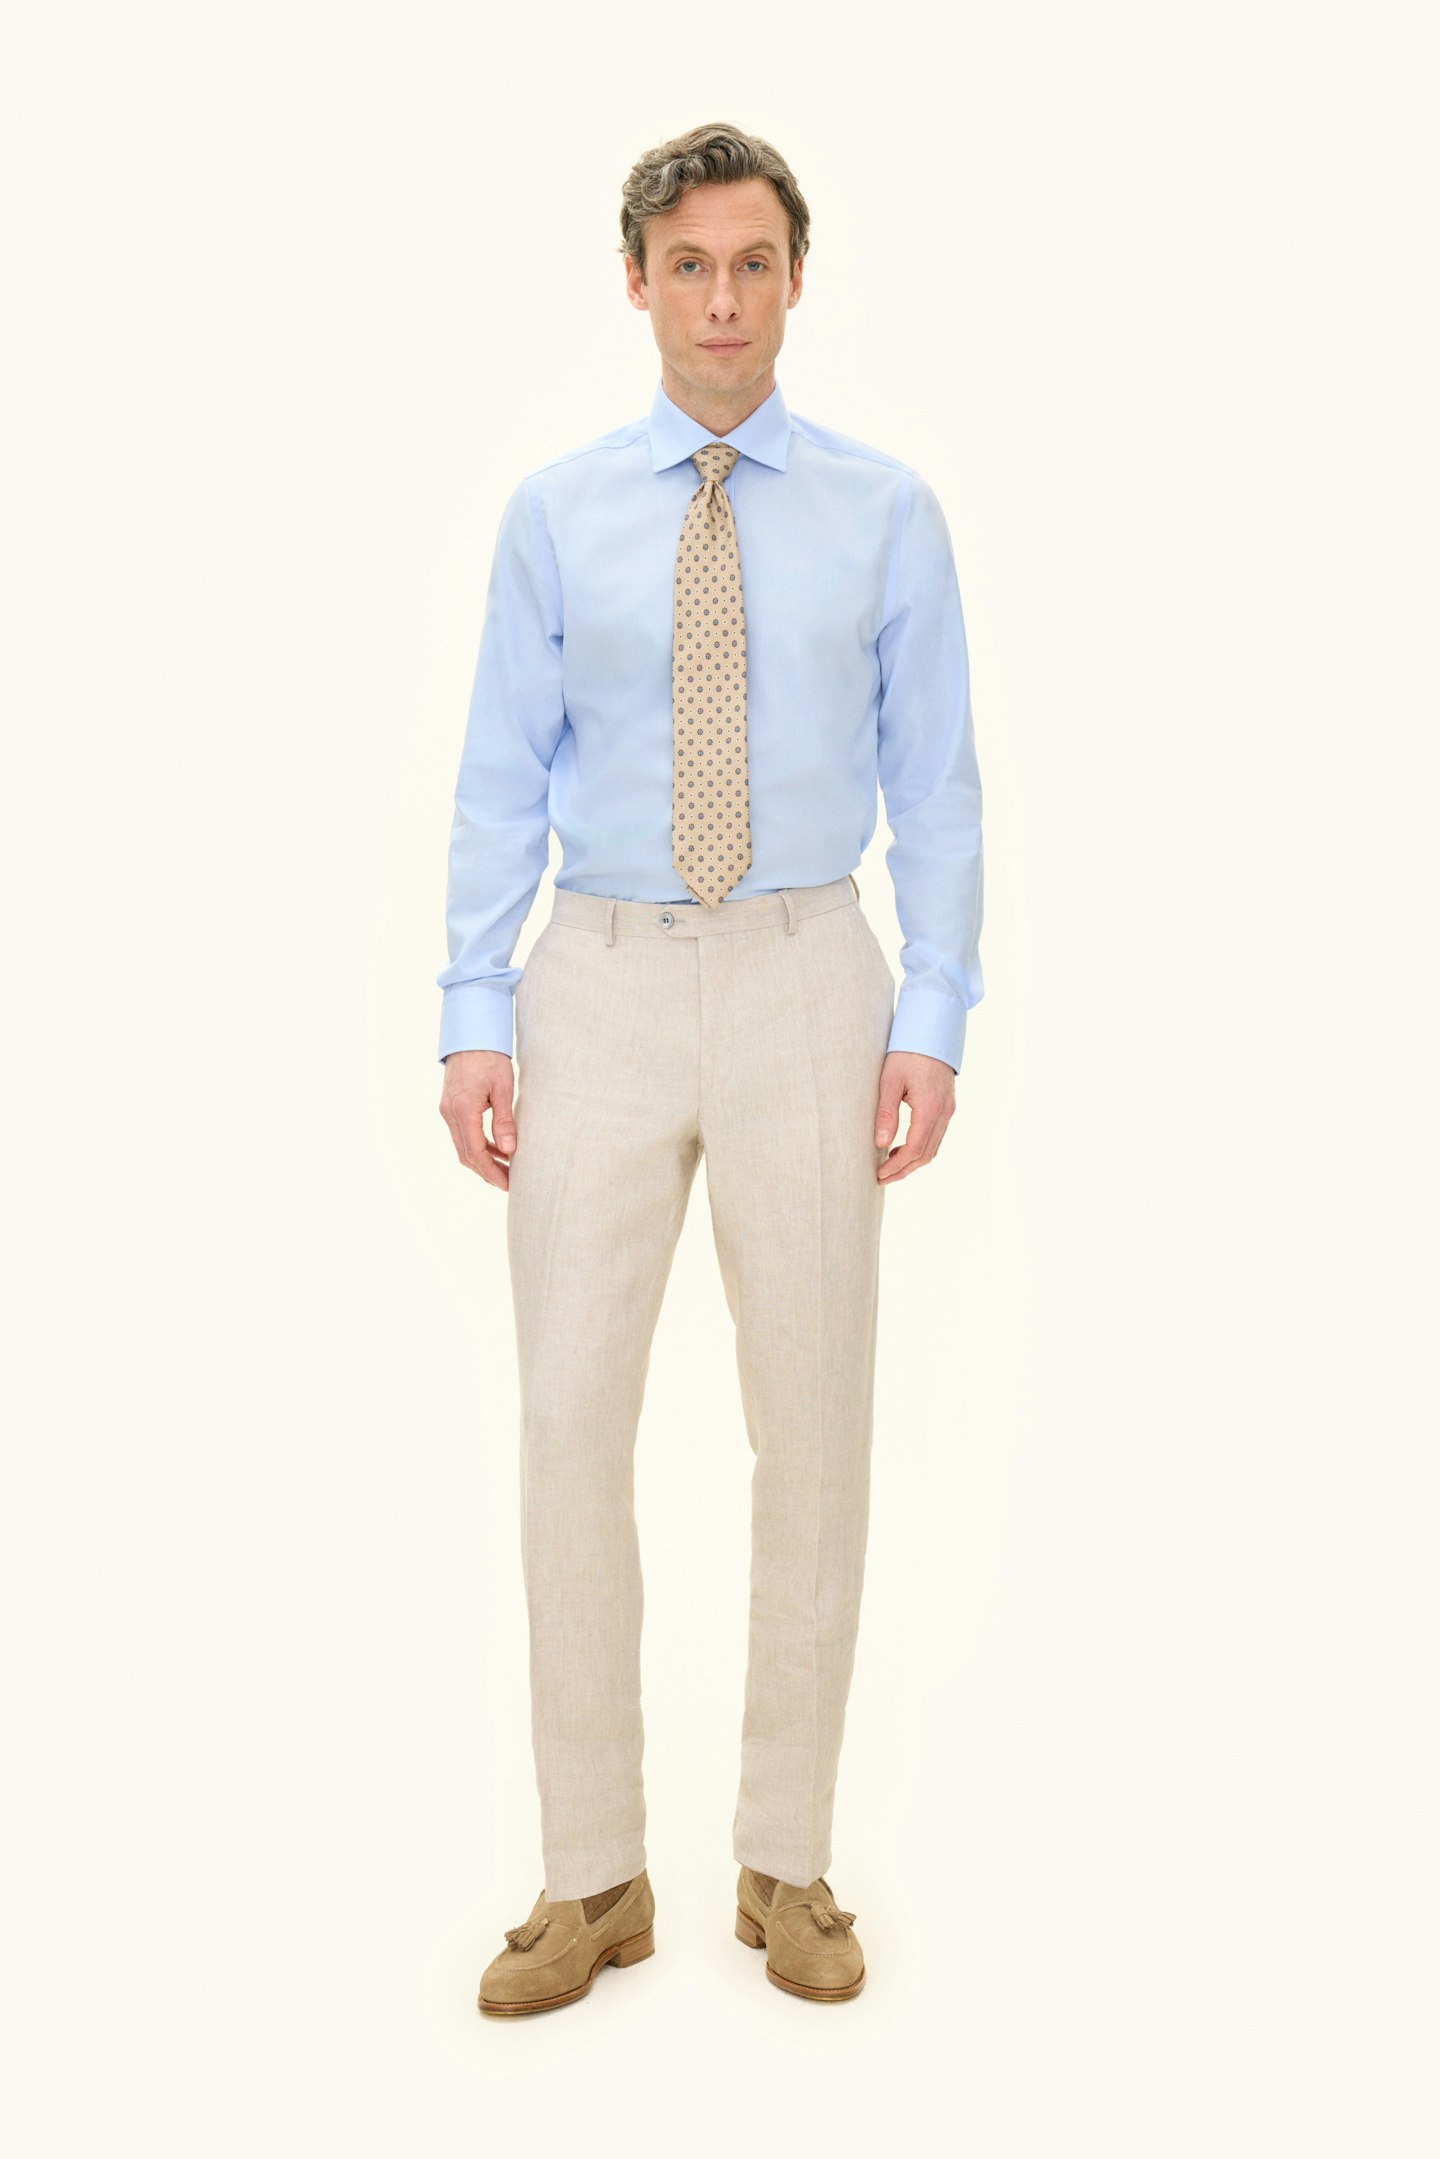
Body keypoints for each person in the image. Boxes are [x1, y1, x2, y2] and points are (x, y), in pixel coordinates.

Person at [437, 120, 984, 2015]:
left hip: (809, 975)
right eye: (691, 265)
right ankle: (592, 1876)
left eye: (754, 264)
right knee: (569, 1430)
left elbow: (939, 785)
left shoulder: (886, 512)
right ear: (639, 283)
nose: (724, 300)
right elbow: (499, 771)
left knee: (812, 1433)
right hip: (593, 983)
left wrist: (932, 1016)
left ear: (796, 280)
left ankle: (787, 1859)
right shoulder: (557, 512)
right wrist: (472, 1010)